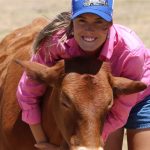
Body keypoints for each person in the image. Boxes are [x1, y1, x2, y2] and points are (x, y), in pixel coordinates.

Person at [16, 0, 150, 150]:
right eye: (82, 20)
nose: (89, 29)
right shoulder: (55, 43)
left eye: (99, 21)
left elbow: (119, 112)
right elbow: (27, 93)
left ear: (110, 24)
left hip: (137, 94)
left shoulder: (131, 51)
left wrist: (90, 145)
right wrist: (42, 142)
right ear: (72, 22)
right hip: (95, 103)